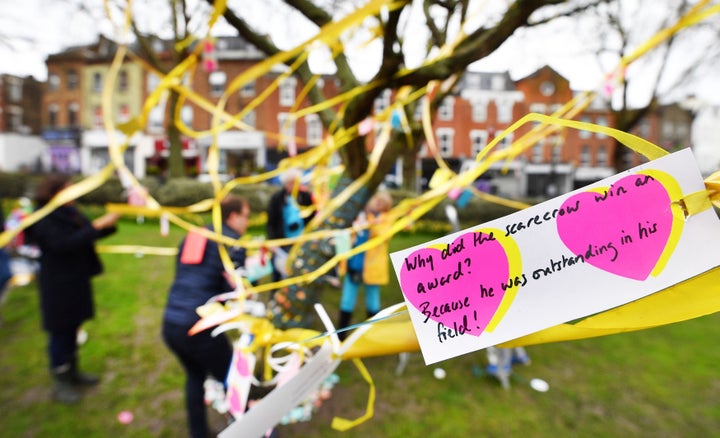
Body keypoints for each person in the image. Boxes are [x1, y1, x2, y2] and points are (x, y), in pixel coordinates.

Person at [25, 174, 120, 404]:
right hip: (58, 284)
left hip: (76, 280)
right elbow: (63, 244)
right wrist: (96, 226)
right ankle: (61, 381)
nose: (73, 194)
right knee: (61, 331)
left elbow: (86, 234)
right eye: (68, 190)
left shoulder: (71, 212)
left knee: (73, 327)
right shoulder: (45, 217)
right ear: (54, 193)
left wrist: (108, 224)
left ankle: (73, 371)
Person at [162, 195, 250, 438]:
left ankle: (198, 433)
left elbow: (184, 273)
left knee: (195, 375)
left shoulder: (195, 234)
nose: (248, 223)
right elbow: (234, 289)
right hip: (199, 326)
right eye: (246, 216)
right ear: (233, 216)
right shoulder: (232, 242)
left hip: (171, 323)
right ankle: (255, 431)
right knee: (234, 380)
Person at [336, 191, 393, 340]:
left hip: (372, 269)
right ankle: (341, 335)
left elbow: (382, 234)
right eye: (376, 201)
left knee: (373, 301)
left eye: (382, 202)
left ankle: (373, 333)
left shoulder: (386, 218)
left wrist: (369, 222)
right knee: (347, 299)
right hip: (354, 265)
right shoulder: (361, 215)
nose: (378, 204)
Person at [265, 168, 314, 282]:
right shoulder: (277, 198)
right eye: (290, 183)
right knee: (280, 270)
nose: (293, 186)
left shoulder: (306, 197)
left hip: (301, 241)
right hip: (283, 242)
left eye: (295, 182)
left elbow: (312, 218)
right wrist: (273, 241)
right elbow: (271, 222)